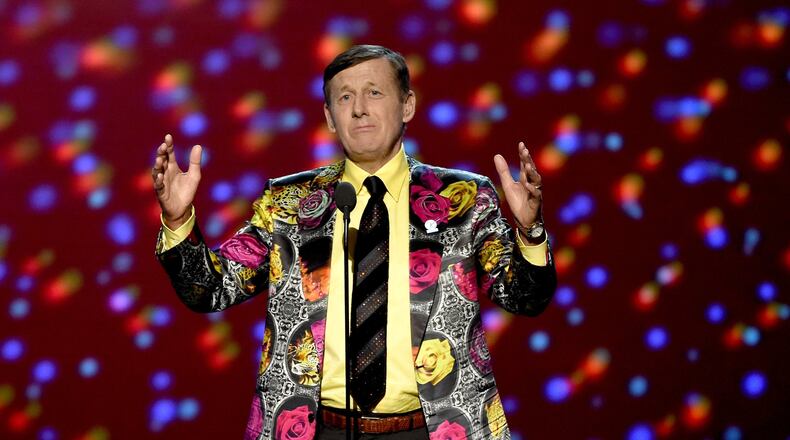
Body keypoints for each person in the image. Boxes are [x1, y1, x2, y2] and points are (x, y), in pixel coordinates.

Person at [153, 45, 556, 440]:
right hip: (318, 429)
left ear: (408, 106)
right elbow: (211, 289)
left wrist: (531, 232)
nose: (359, 107)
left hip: (434, 429)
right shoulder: (289, 204)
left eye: (374, 92)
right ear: (330, 117)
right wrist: (178, 220)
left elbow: (523, 297)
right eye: (345, 97)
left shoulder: (462, 199)